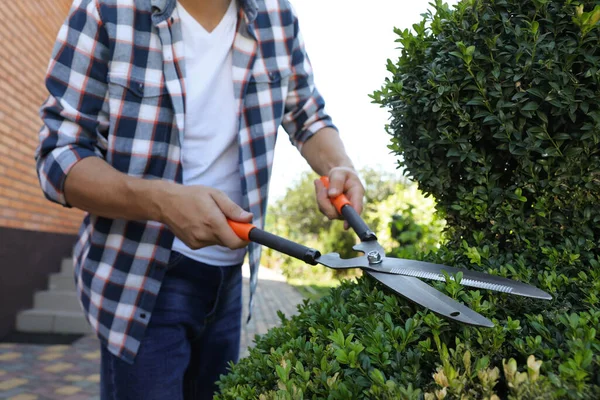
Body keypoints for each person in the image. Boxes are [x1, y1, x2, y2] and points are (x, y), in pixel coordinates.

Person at [35, 0, 364, 398]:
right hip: (140, 278)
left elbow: (308, 117)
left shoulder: (277, 15)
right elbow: (59, 157)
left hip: (230, 280)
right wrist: (161, 201)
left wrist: (340, 166)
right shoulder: (106, 10)